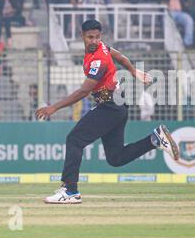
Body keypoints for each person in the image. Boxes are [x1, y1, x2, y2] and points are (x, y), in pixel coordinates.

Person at [36, 20, 179, 204]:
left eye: (97, 37)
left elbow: (83, 91)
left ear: (100, 36)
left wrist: (53, 107)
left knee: (74, 139)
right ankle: (155, 139)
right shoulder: (102, 48)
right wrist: (133, 71)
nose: (94, 41)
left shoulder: (98, 60)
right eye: (90, 37)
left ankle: (70, 191)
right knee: (116, 158)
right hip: (116, 105)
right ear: (82, 36)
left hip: (110, 106)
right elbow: (119, 56)